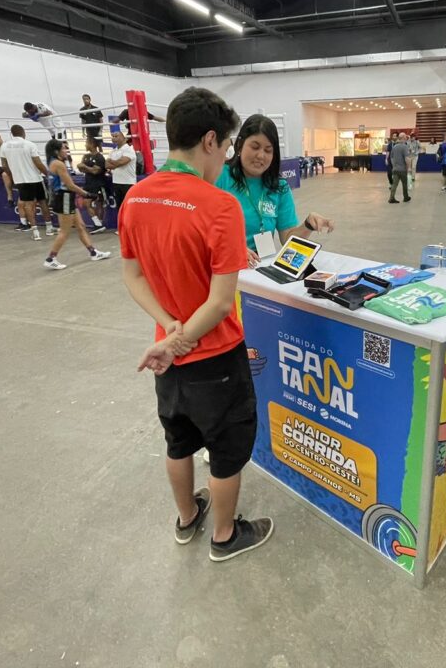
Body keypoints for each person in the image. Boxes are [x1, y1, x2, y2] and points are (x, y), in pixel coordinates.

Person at [118, 86, 273, 562]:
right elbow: (221, 302)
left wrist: (167, 330)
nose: (224, 156)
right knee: (226, 451)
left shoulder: (135, 197)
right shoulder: (218, 205)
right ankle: (225, 536)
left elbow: (133, 274)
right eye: (226, 146)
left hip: (169, 358)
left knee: (178, 439)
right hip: (215, 358)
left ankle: (187, 518)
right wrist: (181, 338)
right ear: (210, 140)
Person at [215, 114, 333, 266]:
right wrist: (232, 249)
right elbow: (200, 228)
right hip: (223, 266)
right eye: (255, 147)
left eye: (268, 150)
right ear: (240, 145)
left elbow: (288, 240)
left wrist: (308, 225)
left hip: (259, 268)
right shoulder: (220, 176)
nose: (261, 155)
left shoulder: (279, 188)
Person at [42, 139, 111, 270]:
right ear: (57, 151)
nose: (66, 151)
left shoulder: (54, 162)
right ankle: (51, 258)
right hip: (64, 198)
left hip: (65, 197)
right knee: (64, 231)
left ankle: (93, 252)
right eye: (63, 148)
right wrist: (87, 194)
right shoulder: (58, 164)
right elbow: (70, 185)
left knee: (81, 226)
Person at [1, 124, 54, 239]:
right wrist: (48, 174)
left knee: (28, 205)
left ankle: (35, 232)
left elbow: (4, 166)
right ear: (23, 132)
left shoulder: (4, 146)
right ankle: (49, 228)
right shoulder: (29, 145)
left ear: (12, 134)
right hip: (35, 179)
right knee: (43, 202)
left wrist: (12, 175)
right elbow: (38, 163)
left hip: (20, 180)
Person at [76, 136, 108, 233]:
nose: (85, 145)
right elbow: (80, 168)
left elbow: (96, 171)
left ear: (92, 144)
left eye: (87, 143)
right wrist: (88, 168)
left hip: (98, 184)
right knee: (87, 204)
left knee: (96, 204)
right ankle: (98, 224)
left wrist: (85, 167)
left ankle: (99, 224)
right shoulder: (85, 156)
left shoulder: (99, 157)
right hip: (88, 184)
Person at [106, 129, 139, 215]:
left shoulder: (129, 150)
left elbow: (119, 162)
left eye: (116, 136)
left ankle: (131, 228)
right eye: (113, 136)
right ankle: (122, 228)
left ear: (124, 138)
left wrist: (112, 161)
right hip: (117, 182)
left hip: (128, 183)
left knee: (129, 209)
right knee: (120, 209)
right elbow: (106, 166)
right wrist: (116, 163)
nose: (114, 138)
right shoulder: (113, 151)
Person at [388, 133, 411, 204]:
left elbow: (391, 158)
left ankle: (391, 198)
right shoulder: (405, 147)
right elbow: (407, 158)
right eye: (406, 137)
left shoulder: (394, 147)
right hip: (402, 169)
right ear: (404, 138)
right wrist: (409, 167)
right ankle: (406, 197)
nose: (406, 138)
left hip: (395, 169)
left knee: (394, 184)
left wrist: (394, 165)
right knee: (404, 184)